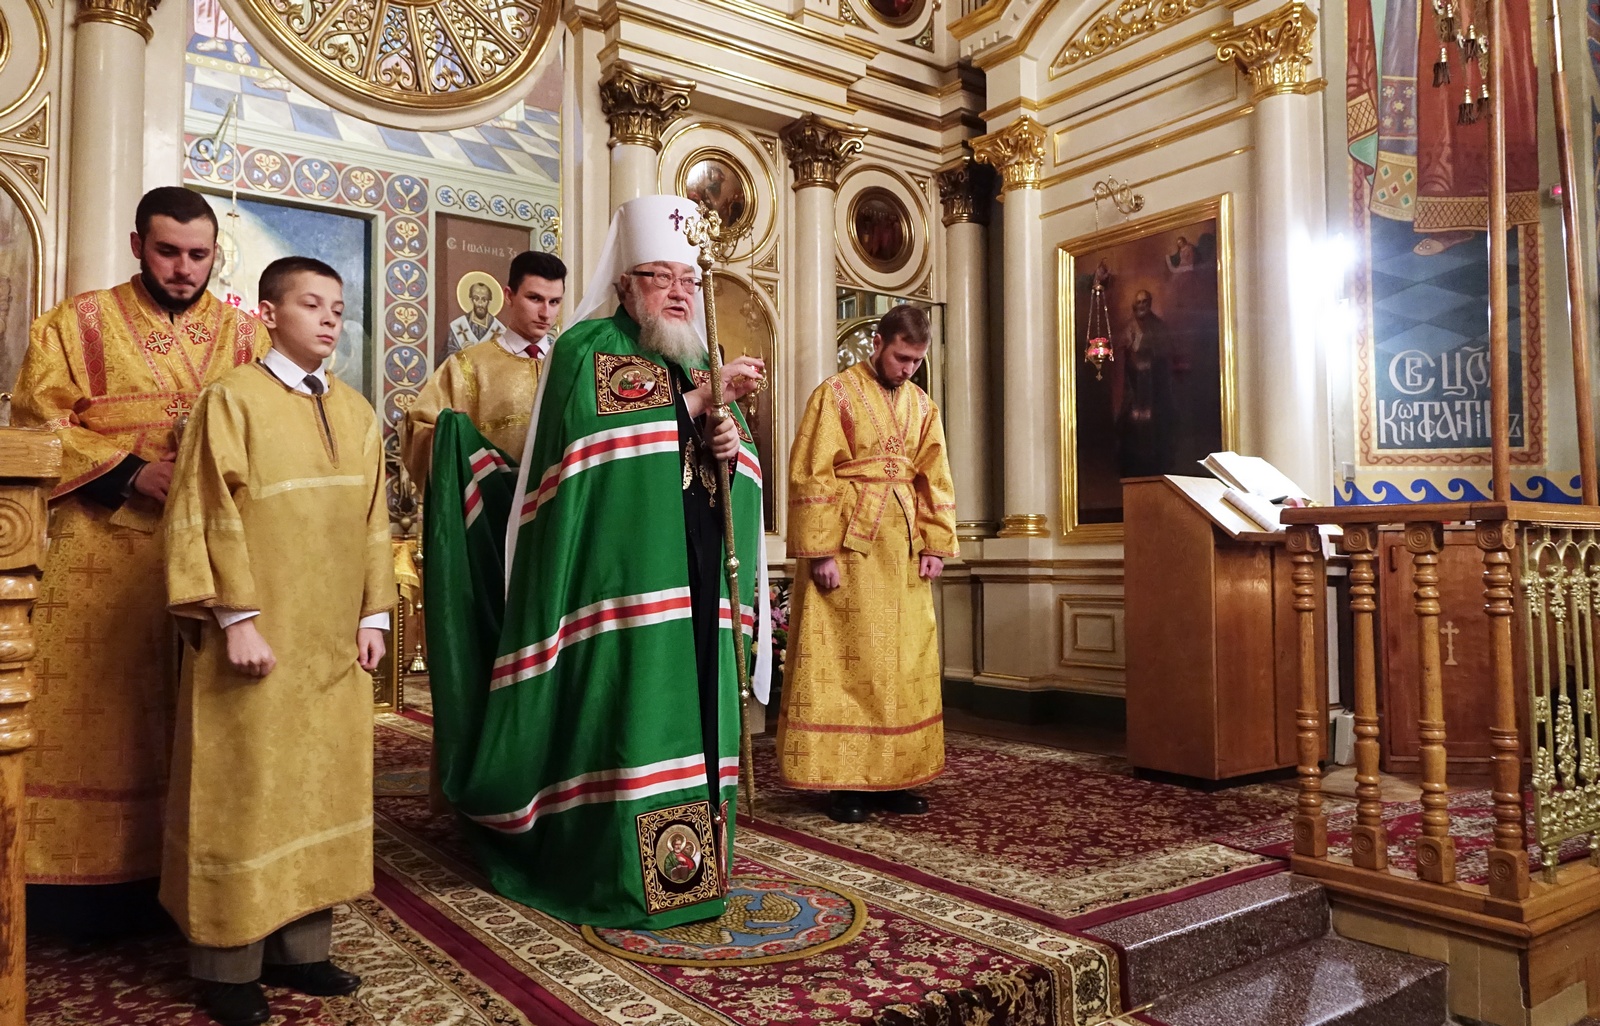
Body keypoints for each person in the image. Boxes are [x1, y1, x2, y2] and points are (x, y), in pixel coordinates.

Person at [424, 194, 769, 929]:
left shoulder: (694, 357)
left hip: (693, 586)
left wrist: (727, 447)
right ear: (624, 284)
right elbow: (595, 451)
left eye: (686, 279)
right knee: (628, 721)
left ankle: (696, 866)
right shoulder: (589, 350)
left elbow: (731, 466)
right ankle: (621, 872)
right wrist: (700, 405)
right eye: (658, 277)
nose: (677, 293)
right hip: (614, 594)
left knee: (695, 717)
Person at [13, 186, 265, 932]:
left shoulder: (248, 337)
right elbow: (38, 419)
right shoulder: (74, 323)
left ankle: (191, 888)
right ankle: (72, 895)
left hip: (212, 555)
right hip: (101, 547)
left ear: (216, 253)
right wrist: (129, 471)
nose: (185, 269)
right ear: (137, 246)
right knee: (98, 712)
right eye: (168, 252)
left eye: (199, 254)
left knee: (202, 719)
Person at [163, 256, 394, 1026]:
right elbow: (204, 515)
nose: (331, 319)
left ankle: (305, 953)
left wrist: (373, 617)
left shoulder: (358, 412)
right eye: (311, 304)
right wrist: (236, 620)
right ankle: (226, 963)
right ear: (268, 313)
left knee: (319, 786)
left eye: (338, 307)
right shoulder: (230, 401)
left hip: (332, 645)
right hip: (259, 640)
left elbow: (372, 522)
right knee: (245, 792)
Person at [778, 304, 957, 824]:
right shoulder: (833, 394)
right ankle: (844, 783)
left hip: (901, 552)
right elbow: (812, 473)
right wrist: (820, 552)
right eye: (901, 357)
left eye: (916, 362)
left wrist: (934, 544)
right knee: (847, 662)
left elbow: (935, 476)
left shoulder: (923, 406)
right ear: (877, 343)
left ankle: (896, 778)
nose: (908, 369)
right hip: (849, 550)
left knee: (902, 664)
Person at [402, 251, 566, 483]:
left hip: (556, 504)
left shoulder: (569, 362)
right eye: (535, 298)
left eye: (554, 302)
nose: (545, 313)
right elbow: (419, 428)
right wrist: (448, 432)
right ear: (509, 296)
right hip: (490, 507)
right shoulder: (468, 365)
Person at [445, 278, 507, 355]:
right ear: (471, 300)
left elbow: (503, 361)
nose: (480, 304)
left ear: (489, 302)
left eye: (484, 299)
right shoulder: (458, 326)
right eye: (476, 299)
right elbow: (447, 361)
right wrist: (463, 354)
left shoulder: (500, 330)